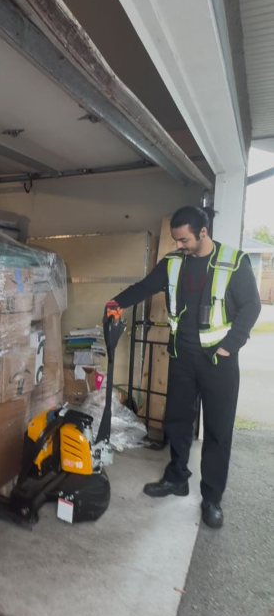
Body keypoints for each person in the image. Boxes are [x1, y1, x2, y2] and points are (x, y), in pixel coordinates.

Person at [108, 206, 261, 529]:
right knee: (177, 421)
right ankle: (177, 477)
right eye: (176, 239)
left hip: (219, 362)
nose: (178, 245)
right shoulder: (173, 263)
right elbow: (145, 287)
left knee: (218, 431)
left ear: (203, 233)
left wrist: (228, 346)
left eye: (183, 239)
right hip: (182, 357)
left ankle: (212, 497)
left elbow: (251, 307)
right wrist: (116, 302)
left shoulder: (233, 262)